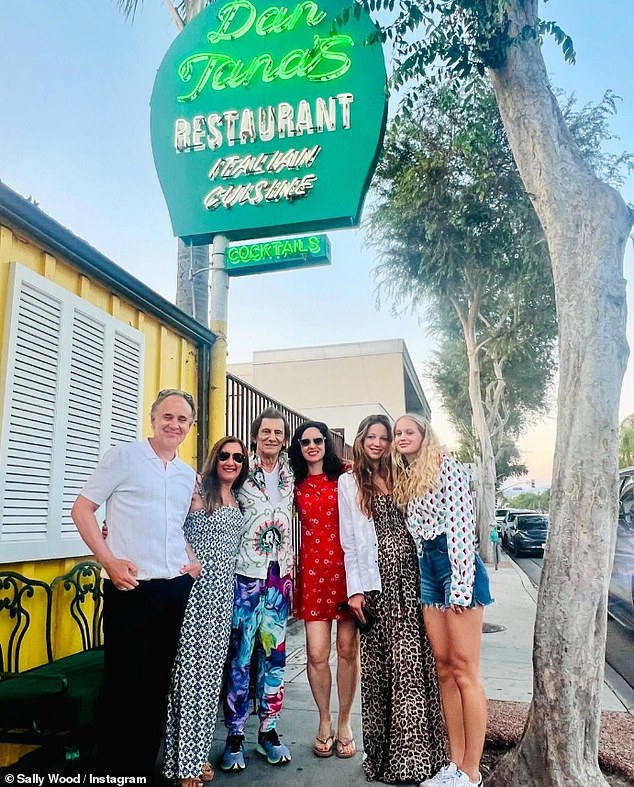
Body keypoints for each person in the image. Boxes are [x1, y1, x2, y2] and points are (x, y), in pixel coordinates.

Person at [71, 389, 199, 779]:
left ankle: (143, 768)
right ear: (153, 418)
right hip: (130, 588)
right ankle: (116, 770)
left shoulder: (186, 474)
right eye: (167, 416)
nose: (174, 424)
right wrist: (107, 560)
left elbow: (176, 526)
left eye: (182, 419)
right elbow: (82, 510)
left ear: (190, 427)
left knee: (157, 685)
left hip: (172, 589)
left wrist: (190, 562)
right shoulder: (123, 458)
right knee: (125, 685)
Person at [337, 414, 446, 783]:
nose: (379, 443)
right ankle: (388, 759)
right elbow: (349, 540)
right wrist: (354, 590)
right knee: (382, 671)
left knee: (414, 666)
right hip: (376, 586)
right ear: (361, 439)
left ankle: (419, 760)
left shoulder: (402, 474)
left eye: (385, 437)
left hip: (413, 581)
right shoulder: (348, 481)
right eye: (373, 436)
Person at [392, 414, 493, 787]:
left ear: (424, 435)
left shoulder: (445, 464)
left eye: (409, 432)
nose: (402, 437)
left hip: (456, 566)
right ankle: (454, 764)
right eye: (398, 433)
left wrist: (461, 586)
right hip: (429, 569)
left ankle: (472, 771)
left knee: (466, 672)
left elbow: (462, 526)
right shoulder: (409, 473)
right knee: (445, 670)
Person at [163, 436, 249, 787]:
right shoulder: (197, 488)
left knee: (211, 679)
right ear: (215, 458)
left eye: (238, 458)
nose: (231, 461)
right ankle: (183, 765)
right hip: (196, 593)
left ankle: (195, 757)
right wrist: (191, 557)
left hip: (223, 596)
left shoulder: (238, 497)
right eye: (225, 455)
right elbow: (168, 524)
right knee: (188, 679)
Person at [220, 407, 295, 772]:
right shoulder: (239, 471)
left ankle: (269, 730)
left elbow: (324, 463)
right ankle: (234, 733)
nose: (271, 437)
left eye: (278, 433)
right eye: (265, 431)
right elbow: (207, 492)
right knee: (241, 656)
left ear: (284, 438)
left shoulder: (289, 473)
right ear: (255, 436)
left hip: (279, 577)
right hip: (245, 575)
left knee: (275, 656)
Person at [288, 421, 359, 760]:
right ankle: (324, 720)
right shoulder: (294, 481)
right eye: (305, 442)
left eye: (318, 440)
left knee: (347, 650)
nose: (312, 445)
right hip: (314, 575)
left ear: (327, 443)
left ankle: (345, 722)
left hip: (347, 574)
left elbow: (381, 469)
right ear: (299, 447)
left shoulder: (346, 474)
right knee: (317, 654)